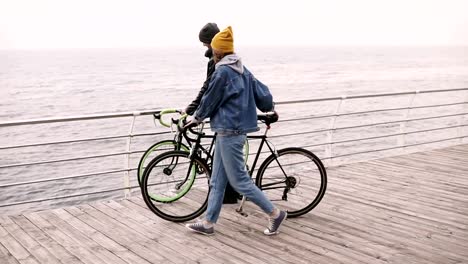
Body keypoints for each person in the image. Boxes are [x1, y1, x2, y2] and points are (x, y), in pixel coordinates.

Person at [185, 26, 287, 236]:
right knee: (217, 180)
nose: (211, 52)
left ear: (218, 51)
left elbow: (210, 99)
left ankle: (275, 214)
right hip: (229, 130)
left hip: (230, 130)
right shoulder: (242, 68)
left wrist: (195, 118)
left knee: (240, 181)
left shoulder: (222, 71)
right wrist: (270, 108)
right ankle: (208, 222)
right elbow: (264, 95)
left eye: (213, 49)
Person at [185, 22, 240, 205]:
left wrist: (194, 112)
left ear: (212, 43)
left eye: (205, 43)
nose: (203, 46)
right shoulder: (228, 61)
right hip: (228, 119)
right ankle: (220, 203)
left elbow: (209, 90)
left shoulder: (218, 65)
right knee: (223, 163)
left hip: (227, 120)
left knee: (229, 164)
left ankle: (233, 195)